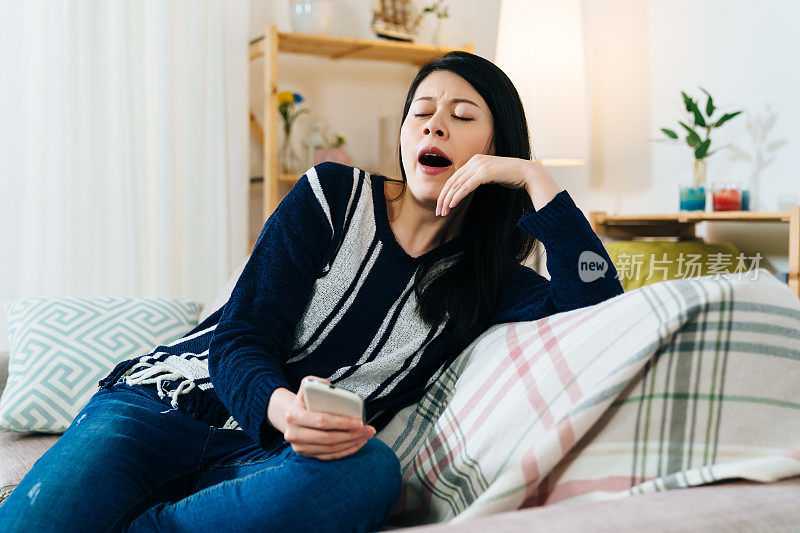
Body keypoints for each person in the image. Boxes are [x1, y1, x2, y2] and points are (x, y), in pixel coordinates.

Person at [0, 51, 623, 532]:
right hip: (162, 409)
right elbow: (242, 335)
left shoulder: (491, 282)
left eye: (463, 117)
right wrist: (281, 408)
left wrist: (536, 180)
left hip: (271, 466)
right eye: (421, 112)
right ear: (406, 136)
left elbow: (600, 316)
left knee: (371, 473)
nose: (435, 124)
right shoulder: (332, 194)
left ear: (495, 148)